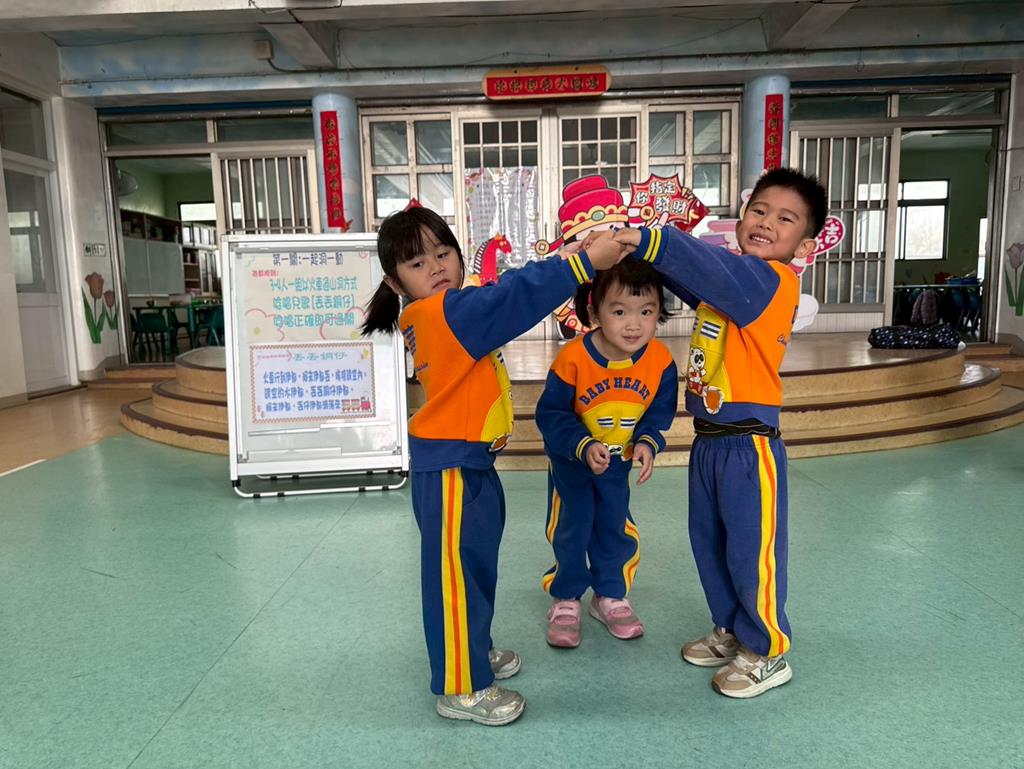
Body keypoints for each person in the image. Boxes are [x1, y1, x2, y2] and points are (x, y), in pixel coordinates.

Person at [360, 205, 628, 725]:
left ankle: (473, 652)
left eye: (444, 253)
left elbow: (504, 292)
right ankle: (461, 687)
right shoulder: (443, 313)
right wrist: (579, 265)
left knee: (475, 571)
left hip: (469, 464)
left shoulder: (445, 312)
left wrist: (567, 257)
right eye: (417, 263)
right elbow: (511, 297)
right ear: (396, 282)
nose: (436, 267)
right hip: (451, 470)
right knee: (457, 580)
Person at [613, 167, 827, 698]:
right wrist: (637, 255)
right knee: (711, 544)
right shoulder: (733, 286)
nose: (766, 223)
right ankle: (732, 628)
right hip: (710, 440)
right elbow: (694, 280)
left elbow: (705, 267)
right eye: (759, 210)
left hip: (749, 446)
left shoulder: (769, 281)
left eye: (785, 219)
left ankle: (768, 650)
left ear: (805, 244)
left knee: (752, 552)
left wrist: (653, 239)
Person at [536, 259, 678, 648]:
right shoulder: (572, 359)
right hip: (572, 466)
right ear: (594, 311)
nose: (634, 324)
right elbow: (551, 415)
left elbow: (658, 413)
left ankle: (610, 595)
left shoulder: (661, 362)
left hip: (617, 466)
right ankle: (566, 597)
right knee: (572, 528)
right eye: (619, 312)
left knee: (614, 527)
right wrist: (582, 445)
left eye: (646, 311)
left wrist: (647, 442)